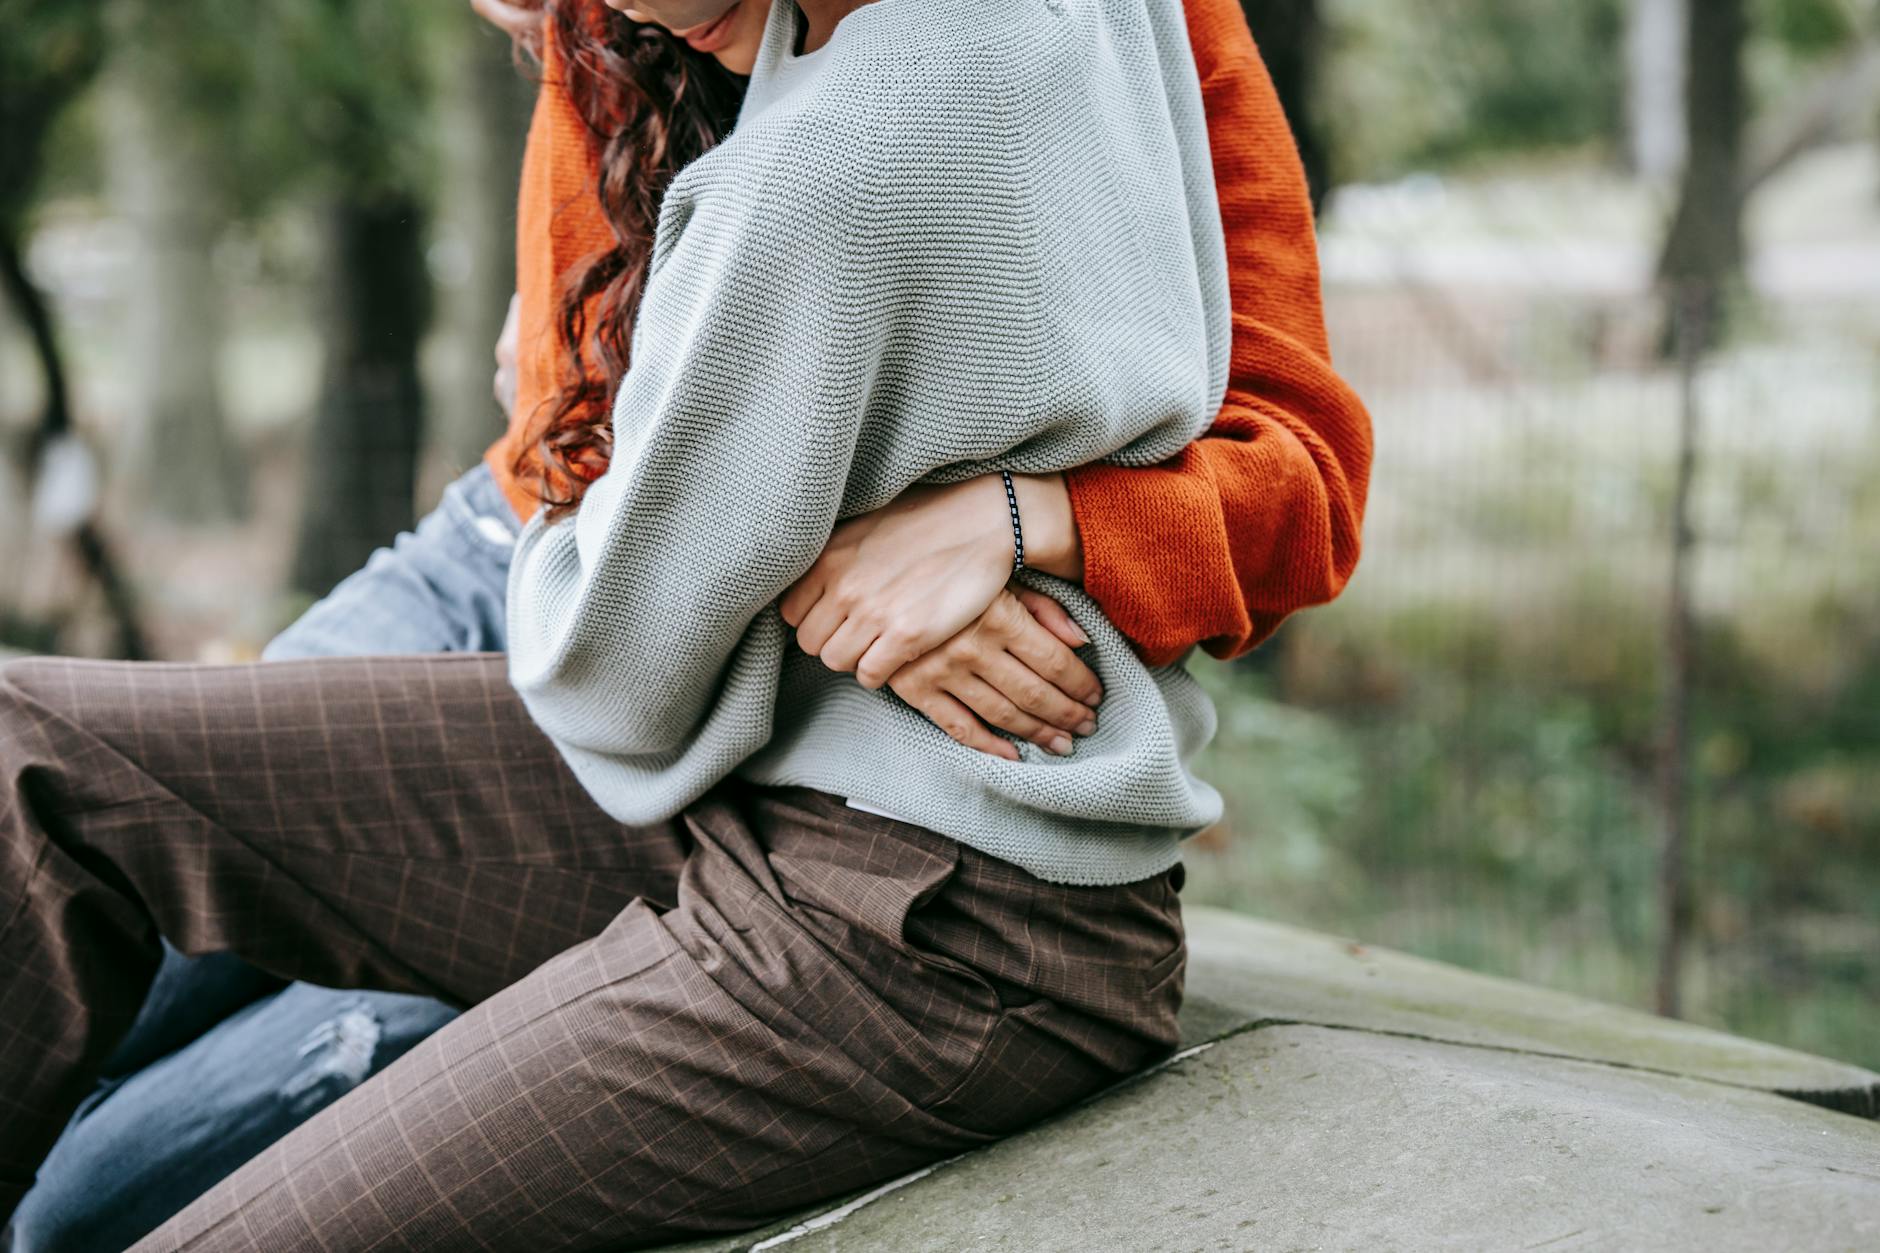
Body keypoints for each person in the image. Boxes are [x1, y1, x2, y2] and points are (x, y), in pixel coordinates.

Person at [4, 0, 1371, 1248]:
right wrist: (764, 528)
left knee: (118, 1202)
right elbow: (588, 439)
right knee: (40, 769)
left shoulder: (820, 160)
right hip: (652, 659)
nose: (550, 20)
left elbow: (624, 629)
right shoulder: (823, 52)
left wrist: (1016, 517)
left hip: (825, 812)